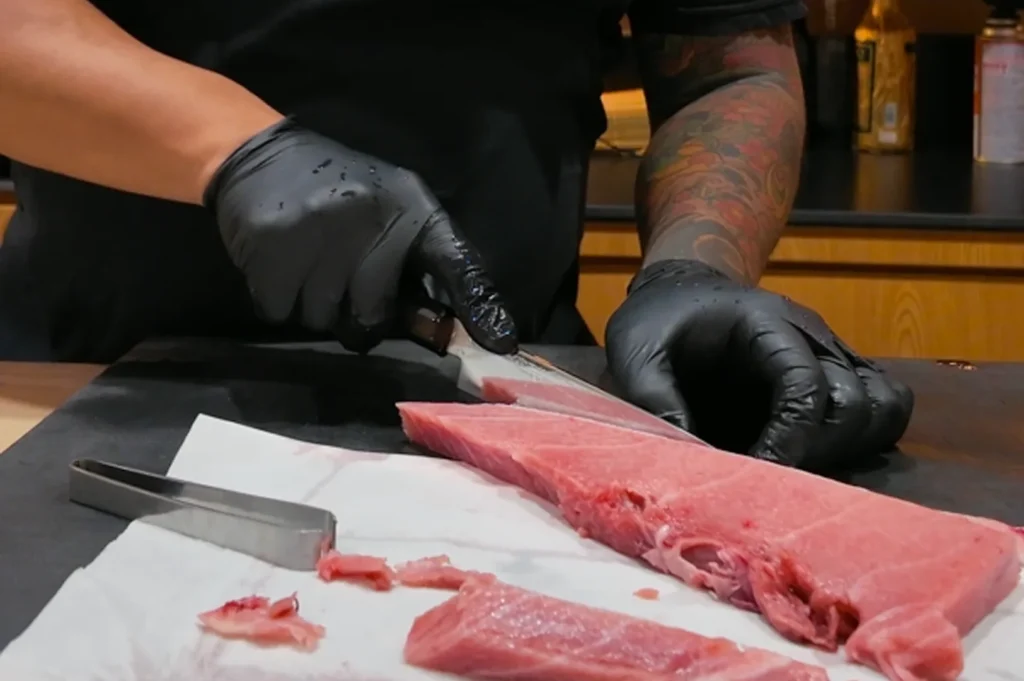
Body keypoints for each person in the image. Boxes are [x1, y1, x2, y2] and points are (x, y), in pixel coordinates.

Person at [0, 0, 913, 470]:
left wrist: (693, 265)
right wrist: (235, 152)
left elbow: (730, 69)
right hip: (90, 382)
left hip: (504, 406)